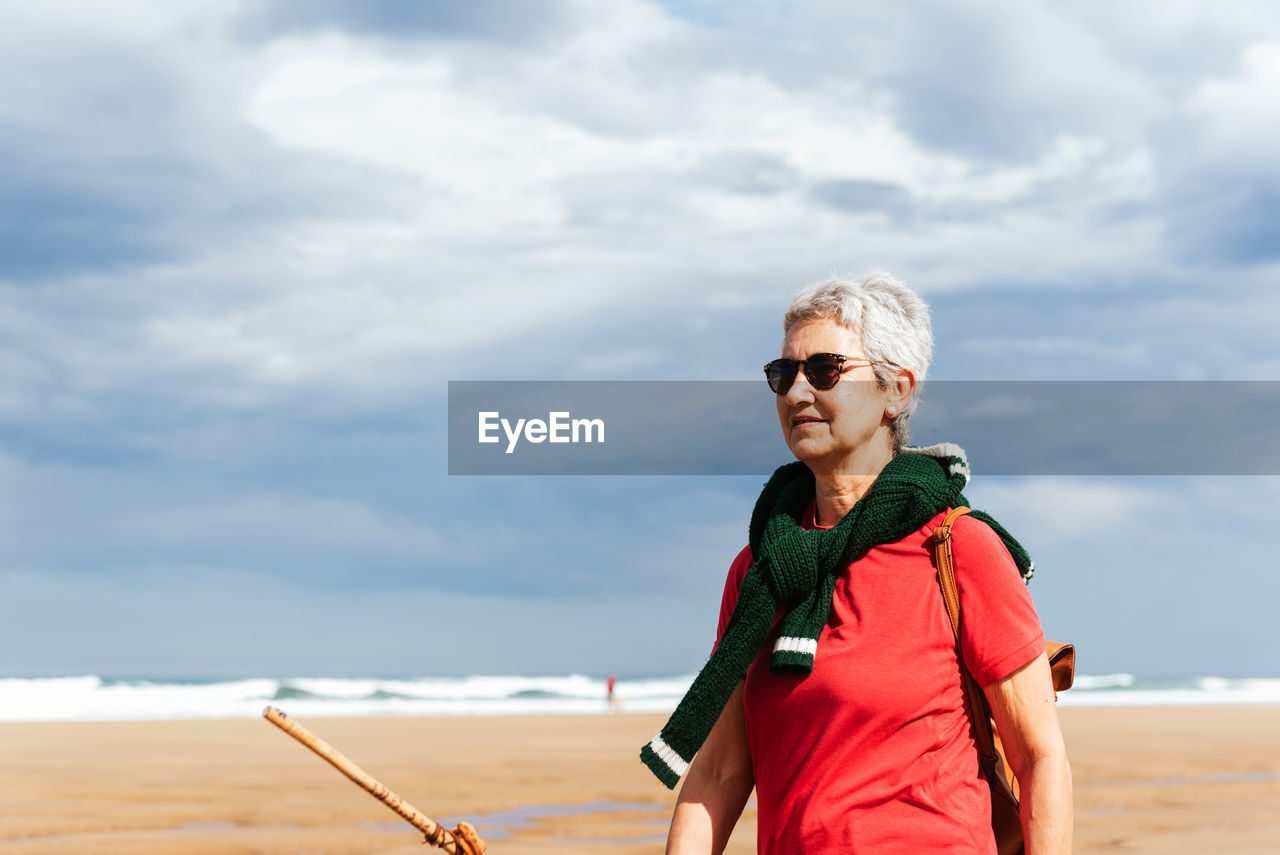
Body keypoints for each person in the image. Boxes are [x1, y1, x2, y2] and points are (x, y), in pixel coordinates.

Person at [645, 272, 1072, 854]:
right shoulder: (759, 571)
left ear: (896, 390)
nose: (796, 393)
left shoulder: (959, 548)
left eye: (824, 371)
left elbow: (1039, 757)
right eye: (782, 374)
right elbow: (719, 774)